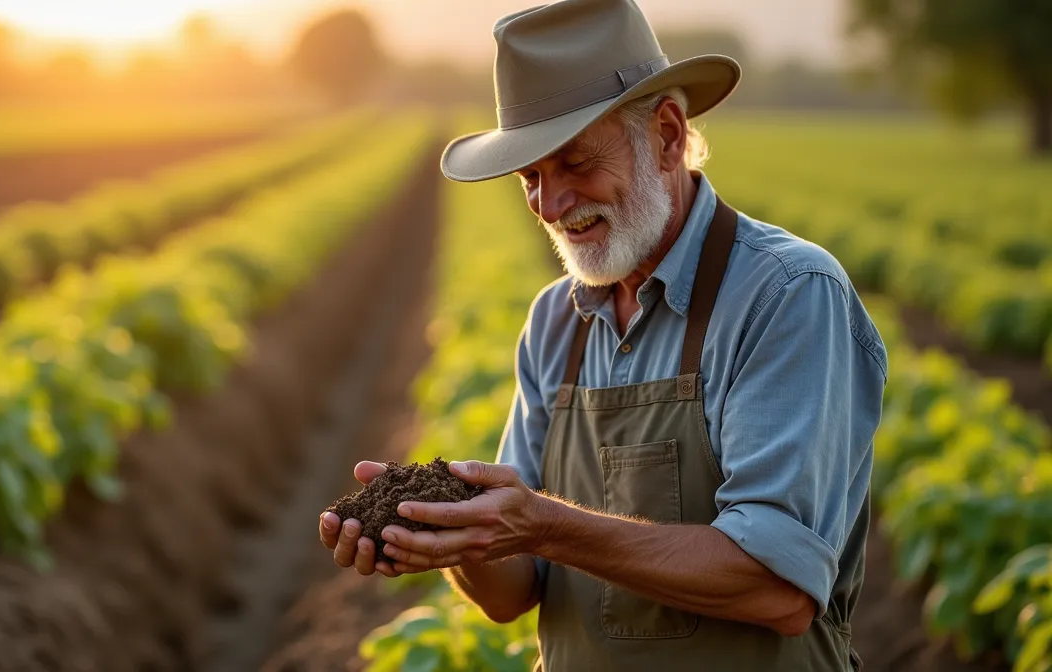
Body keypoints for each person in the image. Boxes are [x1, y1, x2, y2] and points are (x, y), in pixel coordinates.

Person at [319, 0, 886, 669]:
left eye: (576, 163)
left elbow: (777, 585)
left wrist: (547, 524)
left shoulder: (785, 296)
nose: (550, 205)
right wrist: (453, 539)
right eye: (531, 176)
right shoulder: (556, 320)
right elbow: (516, 590)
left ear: (668, 135)